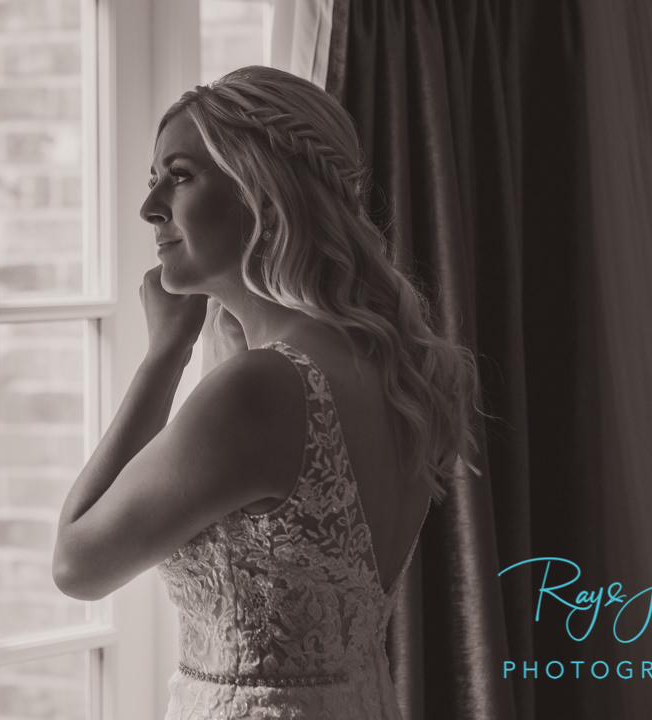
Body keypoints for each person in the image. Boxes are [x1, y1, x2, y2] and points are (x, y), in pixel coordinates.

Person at [53, 66, 479, 719]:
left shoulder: (262, 389)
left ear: (263, 193)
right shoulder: (400, 367)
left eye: (181, 174)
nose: (150, 208)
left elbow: (78, 566)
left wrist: (165, 356)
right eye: (153, 179)